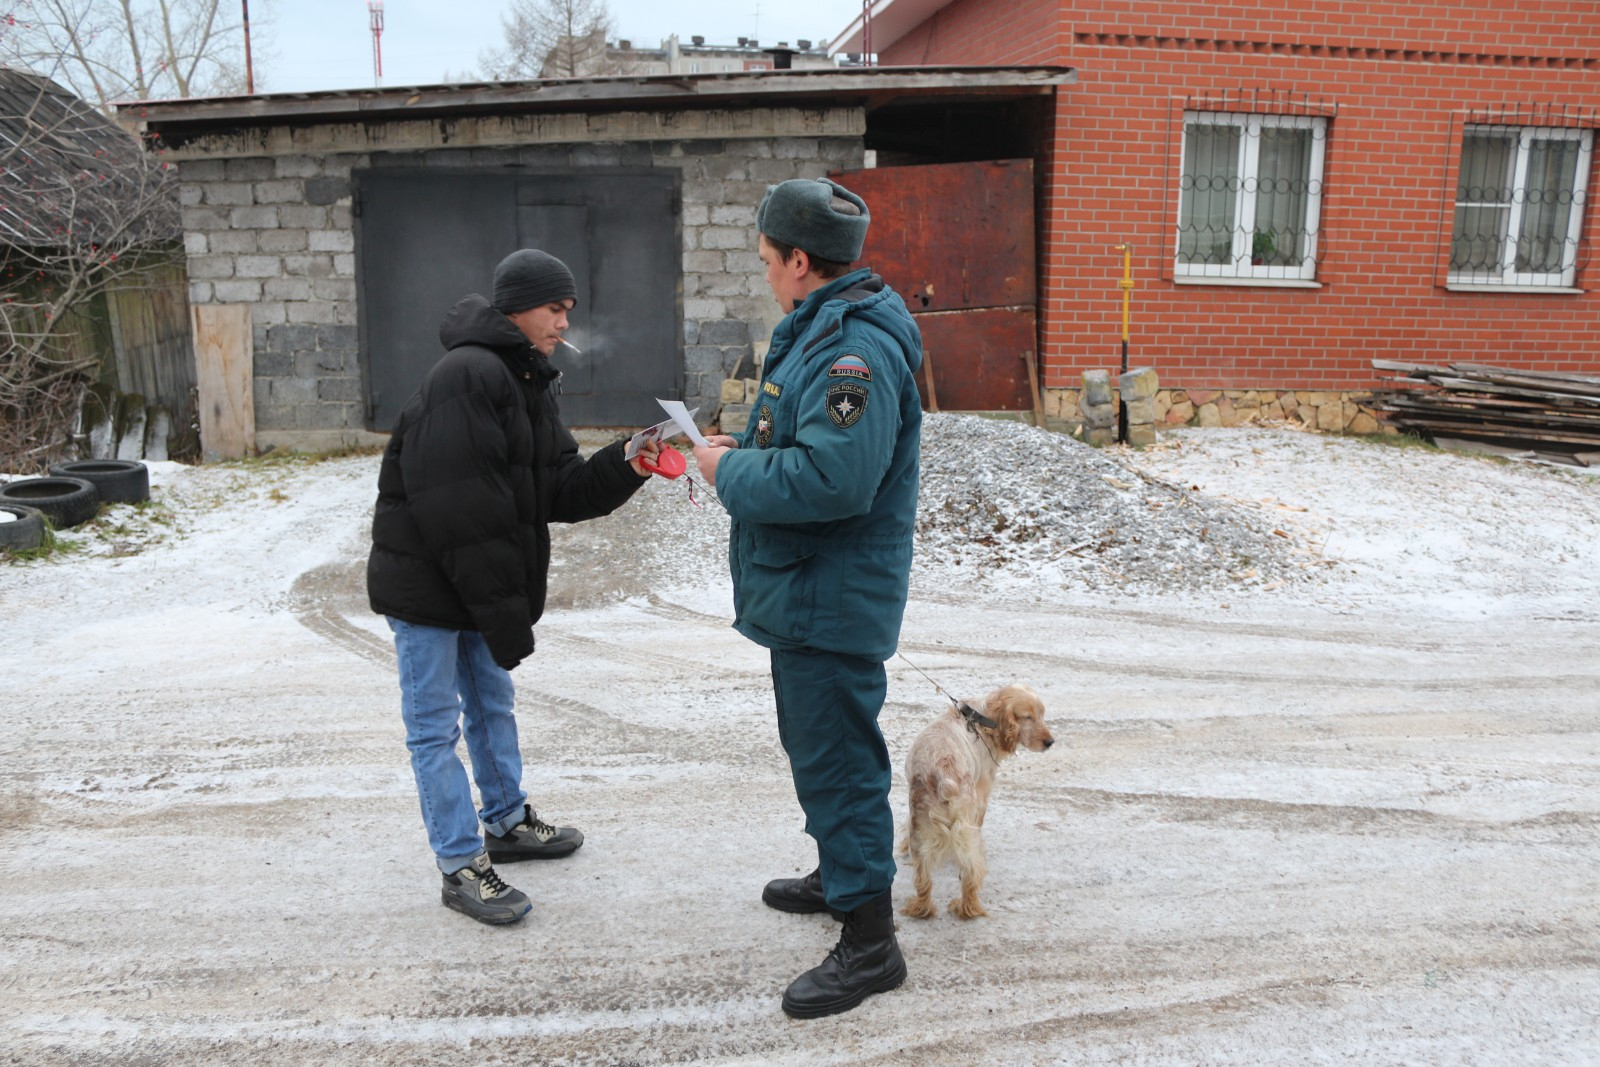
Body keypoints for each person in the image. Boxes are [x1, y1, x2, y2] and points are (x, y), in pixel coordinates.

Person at [367, 248, 657, 926]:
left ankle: (505, 819)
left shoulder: (524, 379)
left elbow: (558, 486)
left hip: (472, 579)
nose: (563, 323)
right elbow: (462, 514)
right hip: (428, 583)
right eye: (555, 309)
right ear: (519, 307)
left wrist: (629, 459)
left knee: (492, 703)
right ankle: (461, 862)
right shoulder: (468, 375)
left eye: (567, 311)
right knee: (435, 728)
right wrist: (502, 616)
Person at [692, 177, 924, 1018]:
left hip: (831, 594)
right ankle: (839, 875)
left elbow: (834, 475)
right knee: (821, 749)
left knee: (838, 762)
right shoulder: (826, 329)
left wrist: (728, 472)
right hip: (811, 588)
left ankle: (870, 944)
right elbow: (804, 441)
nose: (763, 275)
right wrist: (742, 448)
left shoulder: (851, 350)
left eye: (765, 260)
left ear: (799, 261)